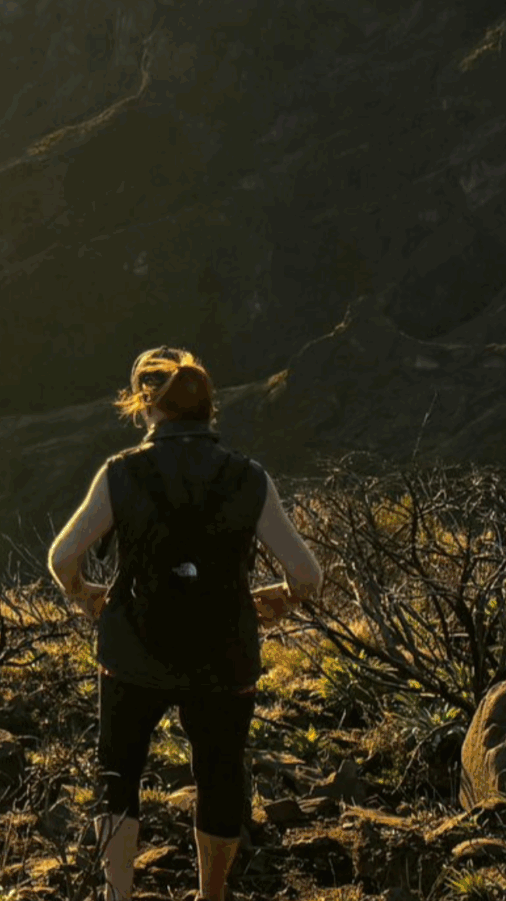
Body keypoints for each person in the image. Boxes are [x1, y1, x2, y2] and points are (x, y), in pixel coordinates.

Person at [46, 346, 323, 901]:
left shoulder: (121, 472)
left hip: (132, 649)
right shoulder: (249, 477)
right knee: (220, 777)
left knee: (119, 774)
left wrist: (88, 597)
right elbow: (306, 573)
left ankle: (118, 894)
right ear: (209, 410)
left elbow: (62, 557)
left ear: (147, 408)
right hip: (224, 653)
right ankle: (211, 895)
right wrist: (277, 603)